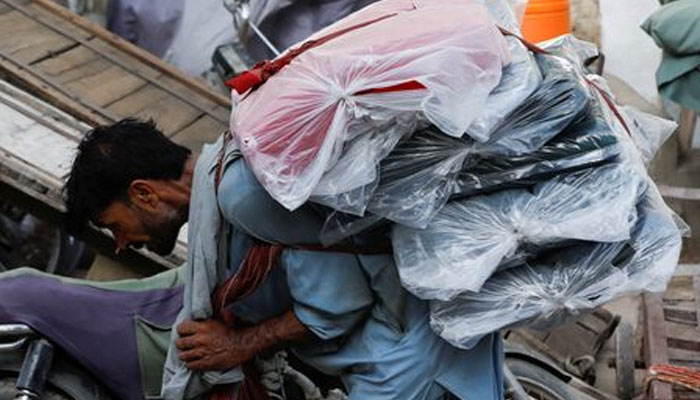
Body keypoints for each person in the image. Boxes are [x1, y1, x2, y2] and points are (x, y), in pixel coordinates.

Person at [64, 118, 504, 400]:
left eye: (113, 225)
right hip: (400, 351)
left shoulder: (239, 194)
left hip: (406, 364)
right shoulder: (222, 190)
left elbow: (337, 304)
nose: (120, 244)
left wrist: (237, 345)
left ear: (143, 192)